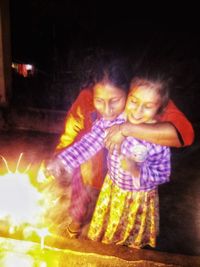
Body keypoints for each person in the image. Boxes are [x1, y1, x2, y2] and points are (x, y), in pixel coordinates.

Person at [53, 56, 194, 237]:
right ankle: (78, 219)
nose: (107, 109)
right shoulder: (90, 98)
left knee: (131, 233)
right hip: (107, 179)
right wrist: (61, 159)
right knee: (98, 212)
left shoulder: (147, 96)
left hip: (139, 195)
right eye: (99, 100)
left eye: (115, 100)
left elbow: (183, 137)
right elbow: (78, 136)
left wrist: (128, 129)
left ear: (128, 92)